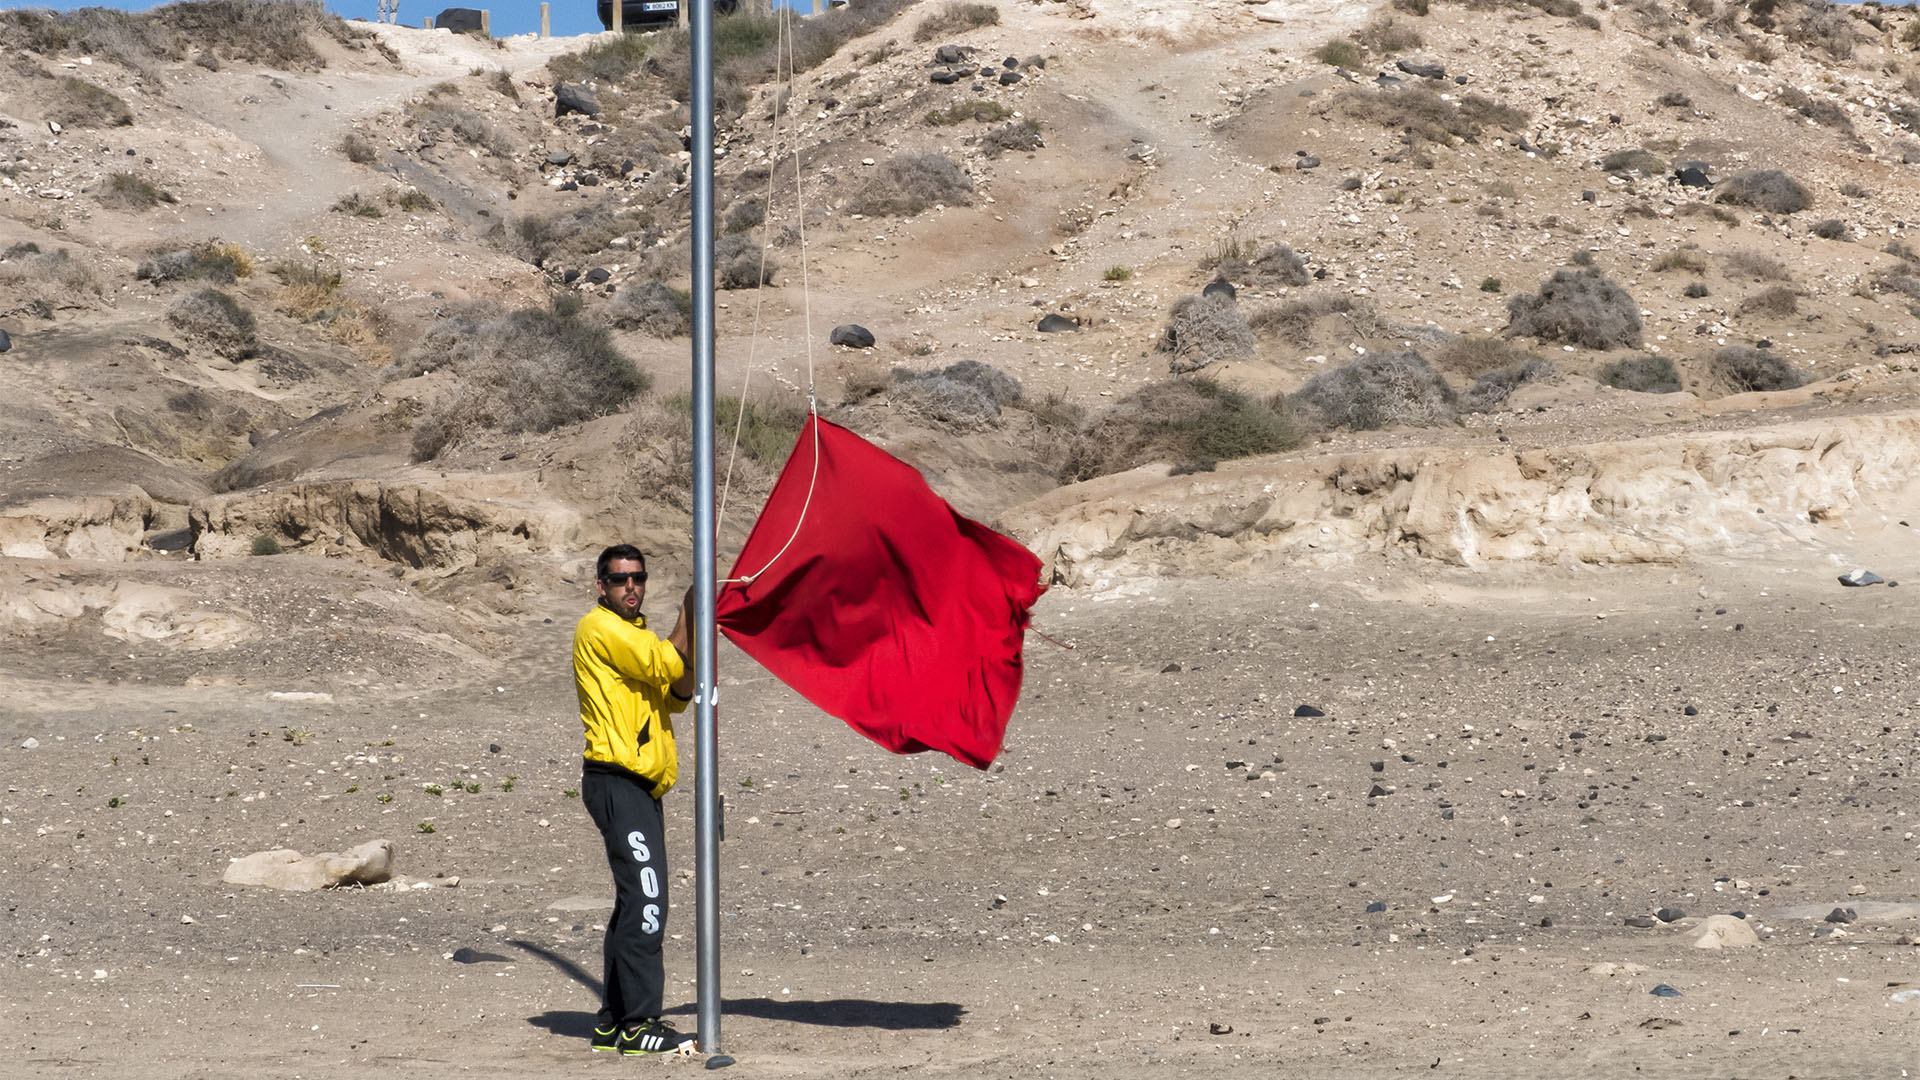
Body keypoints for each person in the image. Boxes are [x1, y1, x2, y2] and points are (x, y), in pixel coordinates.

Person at [574, 544, 699, 1055]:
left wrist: (699, 626)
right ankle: (641, 1024)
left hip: (640, 787)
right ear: (601, 586)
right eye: (621, 579)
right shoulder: (599, 628)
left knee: (634, 903)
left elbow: (678, 690)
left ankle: (612, 1023)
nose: (632, 587)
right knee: (648, 901)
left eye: (639, 578)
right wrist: (693, 608)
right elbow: (665, 660)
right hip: (615, 780)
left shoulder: (637, 635)